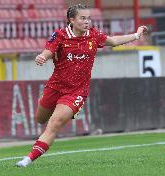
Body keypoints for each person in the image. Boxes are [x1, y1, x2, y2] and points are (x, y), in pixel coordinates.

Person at [17, 4, 148, 167]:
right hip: (55, 87)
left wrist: (136, 35)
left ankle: (28, 159)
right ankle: (56, 108)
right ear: (71, 20)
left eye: (89, 18)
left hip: (76, 91)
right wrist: (42, 57)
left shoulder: (93, 35)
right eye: (83, 18)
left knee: (54, 123)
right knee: (40, 119)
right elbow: (48, 51)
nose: (87, 22)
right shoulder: (60, 35)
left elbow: (113, 41)